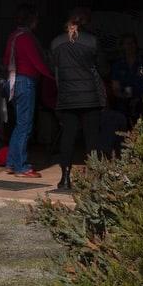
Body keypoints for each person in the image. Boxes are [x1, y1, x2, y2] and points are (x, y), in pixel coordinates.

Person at [50, 11, 105, 192]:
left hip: (67, 97)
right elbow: (101, 68)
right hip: (90, 97)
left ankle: (65, 178)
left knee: (68, 137)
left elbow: (56, 71)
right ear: (84, 24)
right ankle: (95, 179)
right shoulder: (92, 42)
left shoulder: (56, 43)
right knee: (92, 137)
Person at [2, 4, 51, 178]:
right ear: (32, 20)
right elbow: (37, 62)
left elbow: (6, 60)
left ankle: (12, 162)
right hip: (25, 81)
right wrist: (51, 76)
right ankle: (21, 166)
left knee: (19, 124)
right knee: (25, 125)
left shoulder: (14, 36)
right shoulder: (27, 38)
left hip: (13, 81)